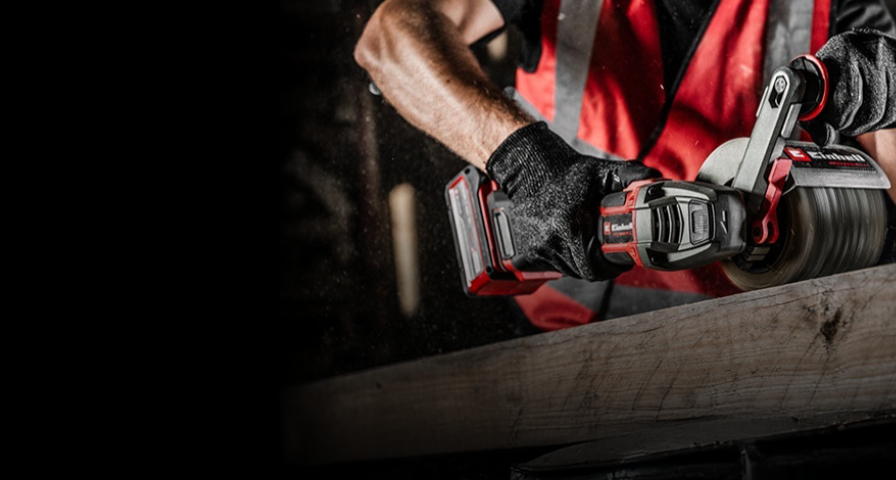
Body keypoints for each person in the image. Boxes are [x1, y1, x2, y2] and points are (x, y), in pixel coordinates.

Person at [355, 0, 896, 331]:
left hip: (748, 352)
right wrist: (526, 164)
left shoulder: (846, 8)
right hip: (559, 355)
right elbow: (389, 39)